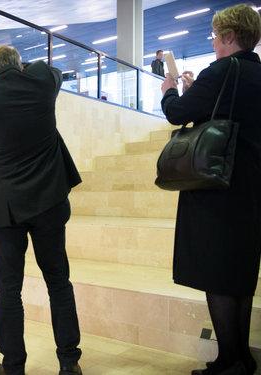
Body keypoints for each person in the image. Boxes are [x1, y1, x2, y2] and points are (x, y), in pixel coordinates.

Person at [0, 46, 82, 375]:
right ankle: (69, 363)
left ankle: (13, 367)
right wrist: (15, 69)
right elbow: (49, 70)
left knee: (8, 290)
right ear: (19, 66)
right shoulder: (43, 81)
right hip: (49, 201)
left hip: (6, 207)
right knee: (59, 282)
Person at [161, 4, 261, 375]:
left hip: (217, 185)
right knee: (239, 274)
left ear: (231, 36)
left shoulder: (220, 70)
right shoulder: (256, 73)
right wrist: (195, 90)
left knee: (217, 274)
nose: (215, 43)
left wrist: (171, 91)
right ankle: (243, 359)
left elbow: (177, 113)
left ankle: (228, 361)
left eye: (216, 37)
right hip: (251, 187)